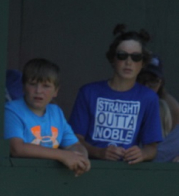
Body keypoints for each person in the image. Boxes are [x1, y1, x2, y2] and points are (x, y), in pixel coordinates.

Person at [69, 24, 163, 164]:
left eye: (136, 57)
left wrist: (142, 153)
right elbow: (74, 139)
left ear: (143, 63)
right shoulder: (88, 92)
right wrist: (99, 152)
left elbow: (152, 147)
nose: (128, 62)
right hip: (88, 168)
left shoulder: (149, 97)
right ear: (113, 59)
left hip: (127, 172)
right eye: (122, 55)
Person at [4, 58, 90, 176]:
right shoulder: (12, 109)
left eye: (46, 86)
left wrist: (81, 159)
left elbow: (74, 145)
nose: (38, 91)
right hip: (18, 176)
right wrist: (63, 155)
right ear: (23, 86)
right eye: (33, 84)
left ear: (56, 91)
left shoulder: (56, 112)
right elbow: (17, 149)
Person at [136, 54, 179, 133]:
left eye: (152, 80)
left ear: (161, 83)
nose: (146, 85)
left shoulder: (172, 108)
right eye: (141, 79)